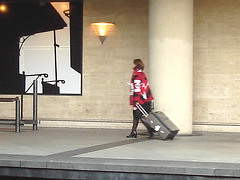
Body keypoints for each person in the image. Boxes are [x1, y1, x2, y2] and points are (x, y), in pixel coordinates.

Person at [127, 59, 154, 138]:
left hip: (139, 99)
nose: (132, 65)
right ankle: (133, 131)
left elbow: (137, 88)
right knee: (136, 115)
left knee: (138, 115)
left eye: (133, 63)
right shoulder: (141, 73)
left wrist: (136, 100)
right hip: (144, 98)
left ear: (136, 64)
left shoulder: (136, 74)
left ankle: (150, 129)